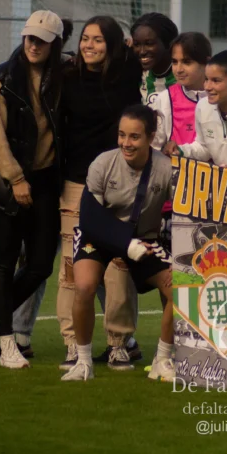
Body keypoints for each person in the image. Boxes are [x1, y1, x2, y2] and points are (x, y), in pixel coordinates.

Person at [0, 10, 69, 369]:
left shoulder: (63, 75)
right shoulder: (2, 78)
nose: (33, 45)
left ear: (55, 44)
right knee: (5, 260)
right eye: (29, 38)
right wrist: (15, 179)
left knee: (41, 265)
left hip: (46, 181)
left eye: (42, 40)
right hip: (6, 181)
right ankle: (9, 344)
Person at [62, 104, 175, 382]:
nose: (126, 143)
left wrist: (178, 258)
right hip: (98, 236)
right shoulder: (103, 163)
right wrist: (127, 245)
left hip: (144, 240)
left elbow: (186, 211)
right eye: (122, 135)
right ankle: (83, 362)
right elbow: (89, 218)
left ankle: (163, 360)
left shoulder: (166, 168)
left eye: (134, 136)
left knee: (181, 290)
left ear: (151, 137)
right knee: (84, 286)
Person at [58, 15, 144, 370]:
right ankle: (72, 342)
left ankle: (119, 343)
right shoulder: (66, 76)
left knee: (120, 265)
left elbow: (142, 52)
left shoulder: (127, 74)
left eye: (97, 40)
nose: (88, 45)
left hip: (121, 183)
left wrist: (128, 45)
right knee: (71, 268)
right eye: (85, 38)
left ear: (112, 45)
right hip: (76, 183)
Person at [149, 32, 211, 149]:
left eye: (186, 62)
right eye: (174, 62)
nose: (179, 69)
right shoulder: (165, 99)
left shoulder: (220, 98)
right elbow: (154, 147)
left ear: (207, 62)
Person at [131, 12, 178, 103]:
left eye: (149, 44)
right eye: (137, 44)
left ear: (168, 42)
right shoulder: (136, 73)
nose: (142, 51)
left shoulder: (183, 76)